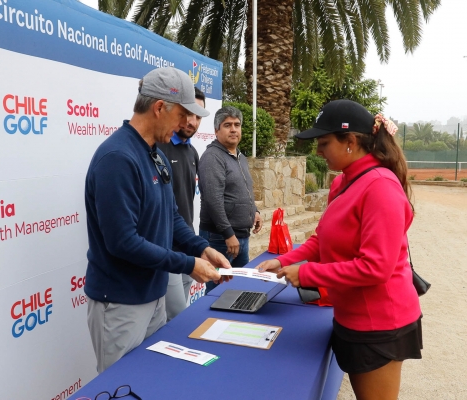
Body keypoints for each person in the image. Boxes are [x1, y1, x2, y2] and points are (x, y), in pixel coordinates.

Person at [257, 99, 422, 400]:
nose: (318, 151)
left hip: (379, 324)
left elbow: (376, 267)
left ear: (351, 142)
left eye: (324, 143)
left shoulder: (380, 187)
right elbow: (322, 239)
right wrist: (284, 260)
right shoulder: (344, 182)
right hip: (349, 315)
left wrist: (307, 273)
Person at [84, 67, 231, 373]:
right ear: (160, 107)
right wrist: (188, 264)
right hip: (121, 302)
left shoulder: (156, 155)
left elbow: (171, 217)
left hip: (153, 296)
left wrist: (202, 249)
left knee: (151, 381)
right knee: (120, 387)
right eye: (182, 114)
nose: (186, 123)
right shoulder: (118, 158)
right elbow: (123, 242)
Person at [198, 106, 262, 293]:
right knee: (217, 292)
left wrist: (255, 211)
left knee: (239, 290)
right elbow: (213, 200)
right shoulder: (212, 157)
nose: (233, 129)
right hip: (220, 238)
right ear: (216, 130)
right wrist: (228, 234)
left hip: (241, 236)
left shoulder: (239, 156)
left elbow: (243, 190)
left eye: (237, 125)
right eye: (227, 125)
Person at [157, 87, 205, 321]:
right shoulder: (159, 149)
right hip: (166, 249)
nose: (191, 121)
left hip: (188, 244)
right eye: (187, 113)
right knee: (177, 317)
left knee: (177, 316)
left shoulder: (192, 152)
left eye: (198, 116)